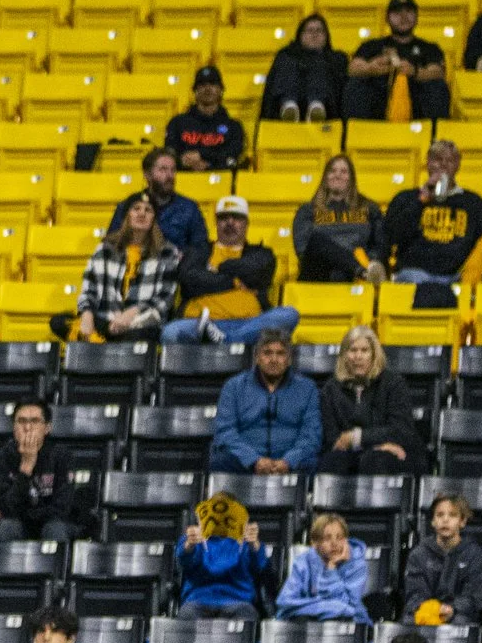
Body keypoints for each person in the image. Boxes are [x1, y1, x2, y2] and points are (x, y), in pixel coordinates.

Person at [164, 194, 301, 346]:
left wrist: (219, 270)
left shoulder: (262, 254)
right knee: (170, 332)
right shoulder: (198, 251)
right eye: (224, 218)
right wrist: (234, 281)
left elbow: (256, 271)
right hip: (200, 323)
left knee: (288, 315)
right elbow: (189, 279)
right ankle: (231, 339)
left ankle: (223, 339)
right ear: (216, 222)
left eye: (236, 218)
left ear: (246, 223)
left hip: (249, 324)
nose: (230, 222)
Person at [375, 141, 482, 284]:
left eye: (450, 160)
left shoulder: (474, 203)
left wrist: (477, 259)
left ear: (458, 165)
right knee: (414, 279)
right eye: (438, 159)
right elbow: (391, 236)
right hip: (416, 273)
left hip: (458, 276)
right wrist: (421, 200)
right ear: (428, 163)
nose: (444, 165)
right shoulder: (406, 198)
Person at [73, 191, 181, 345]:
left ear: (154, 219)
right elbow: (89, 290)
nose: (141, 213)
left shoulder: (167, 252)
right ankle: (104, 336)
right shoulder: (105, 249)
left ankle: (106, 342)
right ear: (127, 216)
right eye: (136, 209)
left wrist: (133, 313)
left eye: (148, 210)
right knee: (60, 322)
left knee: (142, 335)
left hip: (142, 323)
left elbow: (166, 297)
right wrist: (87, 315)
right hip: (106, 320)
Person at [209, 329, 321, 476]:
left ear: (289, 359)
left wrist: (288, 461)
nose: (274, 359)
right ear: (256, 357)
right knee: (219, 461)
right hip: (245, 463)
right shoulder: (234, 386)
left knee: (316, 463)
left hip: (292, 464)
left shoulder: (307, 388)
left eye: (280, 353)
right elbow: (225, 432)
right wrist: (254, 460)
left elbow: (311, 435)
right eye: (267, 353)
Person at [317, 324, 425, 475]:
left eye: (364, 350)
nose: (358, 356)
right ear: (344, 355)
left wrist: (357, 437)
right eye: (352, 350)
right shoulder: (331, 389)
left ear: (374, 355)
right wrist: (369, 443)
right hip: (350, 454)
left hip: (388, 453)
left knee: (374, 461)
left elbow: (401, 429)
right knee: (332, 462)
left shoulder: (393, 383)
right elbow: (333, 439)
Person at [0, 399, 90, 543]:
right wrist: (25, 469)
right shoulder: (2, 457)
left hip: (53, 523)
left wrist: (28, 515)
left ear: (47, 428)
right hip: (19, 524)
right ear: (14, 427)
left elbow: (62, 508)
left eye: (35, 421)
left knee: (54, 529)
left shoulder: (62, 456)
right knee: (7, 528)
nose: (28, 427)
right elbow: (6, 508)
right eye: (21, 421)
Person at [343, 0, 451, 120]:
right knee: (355, 84)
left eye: (409, 11)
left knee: (437, 87)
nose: (403, 17)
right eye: (397, 12)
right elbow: (353, 68)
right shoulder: (372, 45)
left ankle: (433, 134)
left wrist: (415, 72)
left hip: (416, 103)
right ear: (387, 18)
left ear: (417, 17)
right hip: (377, 102)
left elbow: (438, 72)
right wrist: (371, 68)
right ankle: (356, 133)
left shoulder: (429, 48)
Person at [110, 145, 209, 266]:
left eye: (173, 170)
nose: (169, 175)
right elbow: (113, 241)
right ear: (147, 175)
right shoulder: (129, 205)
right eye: (163, 170)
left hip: (176, 271)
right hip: (133, 268)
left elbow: (200, 248)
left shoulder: (189, 208)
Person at [399, 495, 482, 627]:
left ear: (462, 521)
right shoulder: (418, 554)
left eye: (452, 515)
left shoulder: (474, 554)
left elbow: (474, 598)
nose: (445, 520)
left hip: (459, 615)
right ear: (433, 521)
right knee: (407, 622)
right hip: (426, 613)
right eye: (440, 515)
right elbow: (414, 595)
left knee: (461, 622)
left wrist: (452, 609)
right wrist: (433, 609)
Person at [290, 154, 380, 281]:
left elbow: (379, 245)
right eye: (332, 171)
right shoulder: (308, 210)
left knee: (342, 274)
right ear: (325, 177)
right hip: (319, 274)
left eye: (344, 172)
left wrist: (368, 259)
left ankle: (360, 271)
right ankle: (360, 271)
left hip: (352, 273)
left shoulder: (369, 208)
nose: (337, 175)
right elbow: (303, 250)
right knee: (317, 240)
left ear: (351, 178)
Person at [276, 513, 373, 624]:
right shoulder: (303, 561)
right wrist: (324, 606)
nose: (334, 543)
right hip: (310, 620)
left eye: (339, 537)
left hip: (349, 625)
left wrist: (331, 569)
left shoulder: (356, 564)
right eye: (327, 538)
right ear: (314, 543)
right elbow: (285, 602)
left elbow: (348, 608)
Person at [177, 508, 270, 622]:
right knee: (187, 614)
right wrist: (189, 545)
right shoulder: (194, 539)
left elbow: (259, 566)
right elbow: (183, 560)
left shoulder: (247, 541)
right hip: (198, 601)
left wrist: (254, 545)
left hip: (238, 601)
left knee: (247, 615)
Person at [164, 67, 245, 174]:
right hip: (183, 178)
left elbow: (232, 156)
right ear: (195, 91)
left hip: (220, 182)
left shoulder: (234, 126)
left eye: (212, 84)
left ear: (221, 90)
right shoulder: (177, 123)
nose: (207, 88)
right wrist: (183, 162)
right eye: (202, 85)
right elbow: (170, 153)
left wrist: (205, 160)